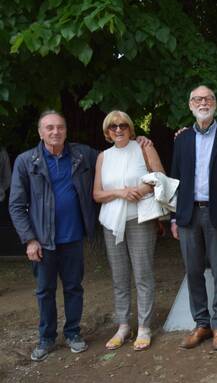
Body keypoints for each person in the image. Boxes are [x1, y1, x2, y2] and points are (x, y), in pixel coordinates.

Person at [9, 111, 98, 361]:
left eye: (59, 127)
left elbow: (115, 152)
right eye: (49, 128)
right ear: (40, 132)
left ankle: (72, 333)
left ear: (66, 131)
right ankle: (46, 338)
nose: (55, 132)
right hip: (42, 241)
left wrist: (141, 142)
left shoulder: (82, 155)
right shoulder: (27, 161)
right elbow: (16, 205)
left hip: (73, 237)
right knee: (44, 291)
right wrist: (29, 239)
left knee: (73, 288)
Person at [170, 86, 217, 351]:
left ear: (215, 103)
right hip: (188, 215)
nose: (203, 102)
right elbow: (174, 181)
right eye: (198, 99)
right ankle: (201, 323)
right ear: (190, 105)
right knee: (193, 270)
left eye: (208, 98)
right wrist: (174, 218)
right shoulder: (182, 139)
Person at [93, 110, 164, 351]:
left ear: (130, 128)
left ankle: (144, 327)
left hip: (139, 220)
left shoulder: (143, 147)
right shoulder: (103, 157)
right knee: (119, 277)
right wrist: (120, 192)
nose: (118, 129)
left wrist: (140, 190)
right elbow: (97, 194)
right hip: (112, 223)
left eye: (123, 125)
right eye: (113, 127)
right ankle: (123, 326)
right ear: (107, 132)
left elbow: (160, 177)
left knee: (143, 275)